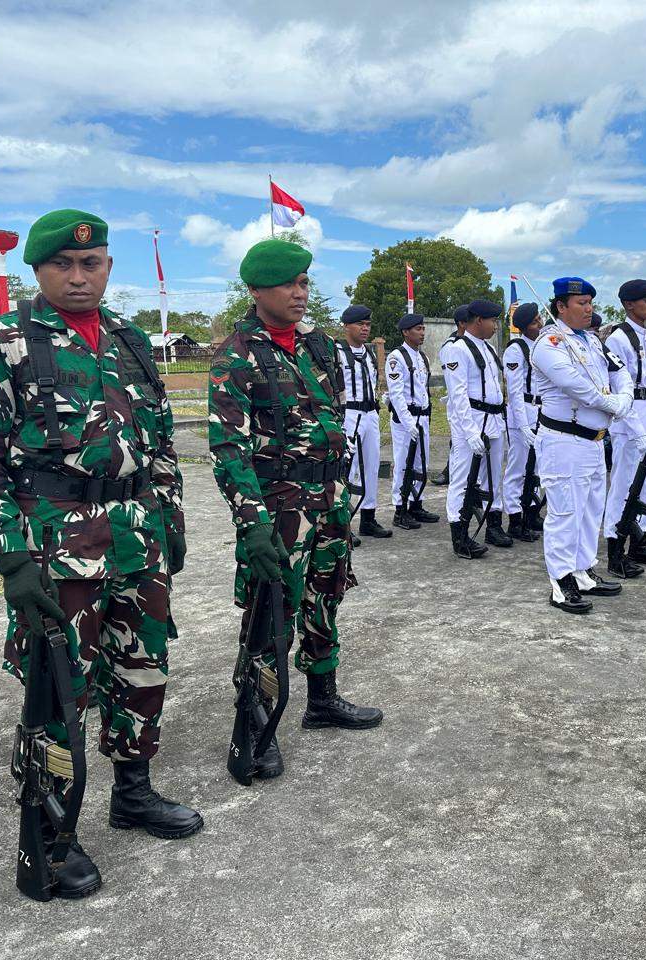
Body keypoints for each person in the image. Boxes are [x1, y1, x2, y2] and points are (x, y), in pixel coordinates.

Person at [0, 210, 200, 900]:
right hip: (56, 544)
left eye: (91, 264)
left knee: (143, 666)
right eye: (63, 264)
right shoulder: (1, 341)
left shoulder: (128, 339)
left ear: (108, 267)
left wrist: (171, 518)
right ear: (38, 271)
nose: (79, 275)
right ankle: (52, 830)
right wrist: (9, 559)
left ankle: (134, 790)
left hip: (135, 534)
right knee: (61, 688)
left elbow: (157, 440)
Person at [208, 238, 382, 774]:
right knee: (271, 612)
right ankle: (256, 725)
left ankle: (323, 699)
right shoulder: (237, 355)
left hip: (328, 499)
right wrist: (252, 523)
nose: (300, 293)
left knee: (326, 596)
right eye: (289, 284)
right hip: (279, 508)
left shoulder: (319, 348)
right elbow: (228, 448)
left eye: (306, 283)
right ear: (257, 290)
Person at [531, 277, 637, 614]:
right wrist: (615, 405)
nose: (589, 308)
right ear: (561, 307)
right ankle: (560, 582)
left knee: (591, 509)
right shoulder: (549, 343)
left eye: (591, 302)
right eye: (581, 303)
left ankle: (582, 571)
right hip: (564, 441)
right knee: (565, 512)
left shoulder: (591, 341)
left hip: (593, 441)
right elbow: (579, 388)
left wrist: (625, 397)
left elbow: (620, 371)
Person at [603, 279, 646, 577]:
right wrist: (637, 429)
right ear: (629, 304)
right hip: (630, 421)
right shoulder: (618, 338)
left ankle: (639, 542)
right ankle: (616, 552)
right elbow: (620, 389)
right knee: (624, 486)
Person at [442, 299, 509, 558]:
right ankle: (460, 536)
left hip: (493, 420)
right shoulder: (458, 349)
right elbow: (458, 394)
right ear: (478, 320)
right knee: (462, 479)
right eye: (492, 321)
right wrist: (469, 431)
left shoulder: (488, 348)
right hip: (471, 420)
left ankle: (493, 525)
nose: (495, 326)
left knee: (493, 477)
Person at [337, 304, 390, 541]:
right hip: (350, 414)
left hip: (370, 413)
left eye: (368, 325)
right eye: (360, 324)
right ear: (347, 326)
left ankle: (368, 518)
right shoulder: (337, 352)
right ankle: (343, 523)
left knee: (371, 467)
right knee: (349, 468)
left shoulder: (367, 352)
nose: (365, 329)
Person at [385, 314, 439, 530]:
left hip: (422, 417)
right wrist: (409, 423)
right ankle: (400, 510)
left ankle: (416, 503)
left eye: (423, 328)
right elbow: (397, 395)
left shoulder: (422, 357)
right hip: (405, 420)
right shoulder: (396, 358)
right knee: (403, 464)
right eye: (418, 329)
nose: (422, 332)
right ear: (406, 332)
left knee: (421, 464)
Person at [501, 302, 543, 541]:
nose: (540, 324)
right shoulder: (516, 350)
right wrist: (523, 424)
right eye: (535, 322)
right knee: (518, 468)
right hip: (523, 413)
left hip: (540, 410)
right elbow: (515, 391)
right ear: (524, 326)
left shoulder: (539, 346)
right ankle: (515, 518)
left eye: (539, 319)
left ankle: (531, 511)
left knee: (535, 468)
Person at [431, 305, 470, 486]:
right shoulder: (451, 347)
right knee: (458, 441)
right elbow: (454, 382)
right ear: (462, 323)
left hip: (476, 403)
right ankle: (450, 472)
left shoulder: (474, 344)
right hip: (459, 402)